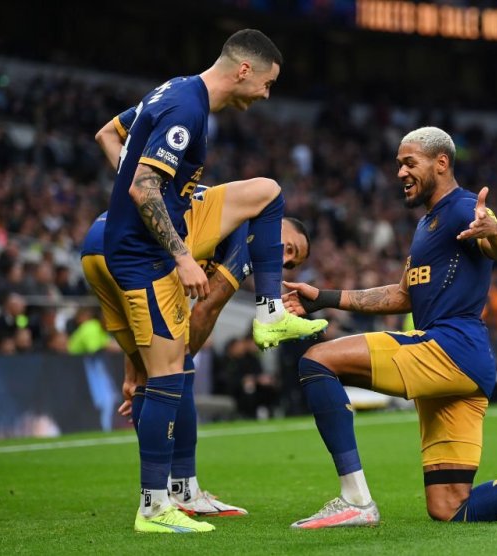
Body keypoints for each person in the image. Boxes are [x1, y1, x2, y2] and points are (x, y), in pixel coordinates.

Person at [282, 127, 497, 529]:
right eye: (398, 164)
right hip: (465, 364)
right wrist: (324, 298)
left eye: (409, 162)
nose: (400, 172)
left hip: (449, 348)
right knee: (450, 506)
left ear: (441, 163)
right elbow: (401, 295)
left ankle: (355, 500)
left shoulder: (464, 208)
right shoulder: (427, 225)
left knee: (317, 360)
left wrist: (494, 231)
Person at [97, 29, 324, 534]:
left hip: (167, 226)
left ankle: (269, 311)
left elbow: (107, 136)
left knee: (267, 191)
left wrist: (143, 194)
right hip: (144, 253)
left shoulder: (177, 90)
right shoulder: (187, 109)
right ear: (244, 70)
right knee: (168, 373)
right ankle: (154, 507)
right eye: (267, 84)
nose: (266, 95)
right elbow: (143, 187)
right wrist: (182, 257)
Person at [83, 182, 321, 528]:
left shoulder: (214, 213)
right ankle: (172, 495)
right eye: (288, 248)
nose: (282, 260)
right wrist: (170, 366)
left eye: (289, 264)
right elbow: (206, 310)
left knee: (156, 372)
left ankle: (172, 490)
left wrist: (137, 371)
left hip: (101, 244)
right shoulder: (250, 230)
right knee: (173, 372)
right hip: (140, 250)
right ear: (278, 225)